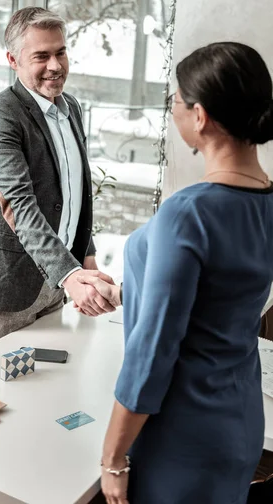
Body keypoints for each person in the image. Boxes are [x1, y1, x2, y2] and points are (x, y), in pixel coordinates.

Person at [78, 42, 273, 504]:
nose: (173, 113)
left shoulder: (188, 214)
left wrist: (112, 457)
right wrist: (134, 289)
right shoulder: (264, 202)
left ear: (200, 116)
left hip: (181, 433)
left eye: (175, 102)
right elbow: (223, 294)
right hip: (239, 418)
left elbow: (152, 354)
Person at [0, 7, 115, 348]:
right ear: (13, 60)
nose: (56, 66)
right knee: (0, 387)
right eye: (41, 56)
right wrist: (70, 273)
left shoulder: (71, 107)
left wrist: (85, 255)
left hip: (59, 277)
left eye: (61, 52)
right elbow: (19, 204)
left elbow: (74, 191)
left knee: (49, 378)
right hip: (10, 281)